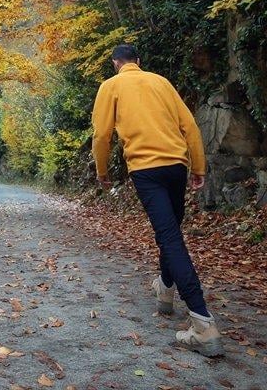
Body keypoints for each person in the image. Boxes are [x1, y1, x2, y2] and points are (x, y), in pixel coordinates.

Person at [91, 43, 223, 357]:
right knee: (171, 232)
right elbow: (189, 125)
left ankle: (203, 325)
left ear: (115, 64)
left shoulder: (111, 86)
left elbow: (101, 135)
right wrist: (199, 166)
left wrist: (102, 171)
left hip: (146, 171)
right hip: (176, 167)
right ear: (139, 61)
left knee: (170, 238)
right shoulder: (161, 82)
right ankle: (165, 290)